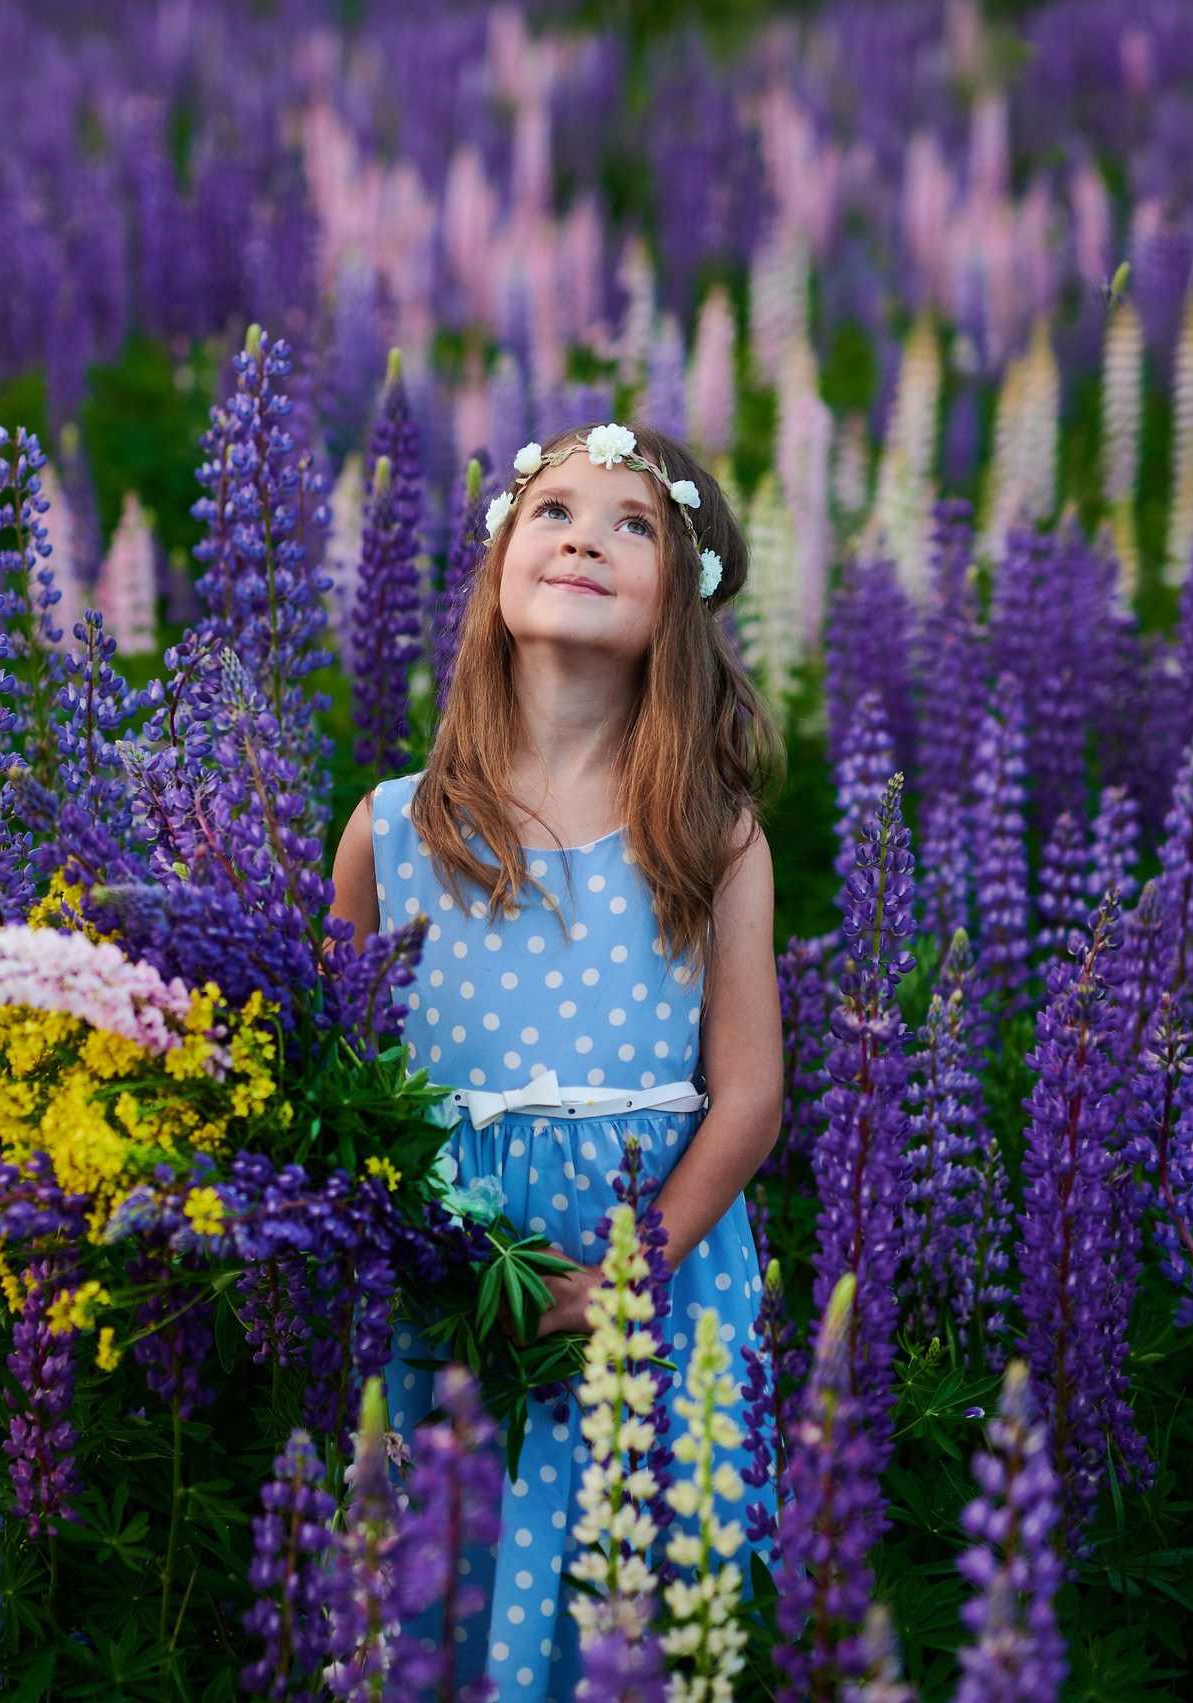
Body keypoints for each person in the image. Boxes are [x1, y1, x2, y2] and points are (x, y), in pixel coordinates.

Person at [330, 419, 784, 1702]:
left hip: (648, 1282)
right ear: (494, 574)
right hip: (448, 1286)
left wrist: (627, 1273)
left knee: (628, 1601)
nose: (586, 533)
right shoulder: (392, 827)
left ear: (676, 610)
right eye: (555, 512)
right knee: (445, 1600)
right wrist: (410, 1235)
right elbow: (329, 1067)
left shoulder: (709, 831)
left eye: (633, 523)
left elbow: (748, 1096)